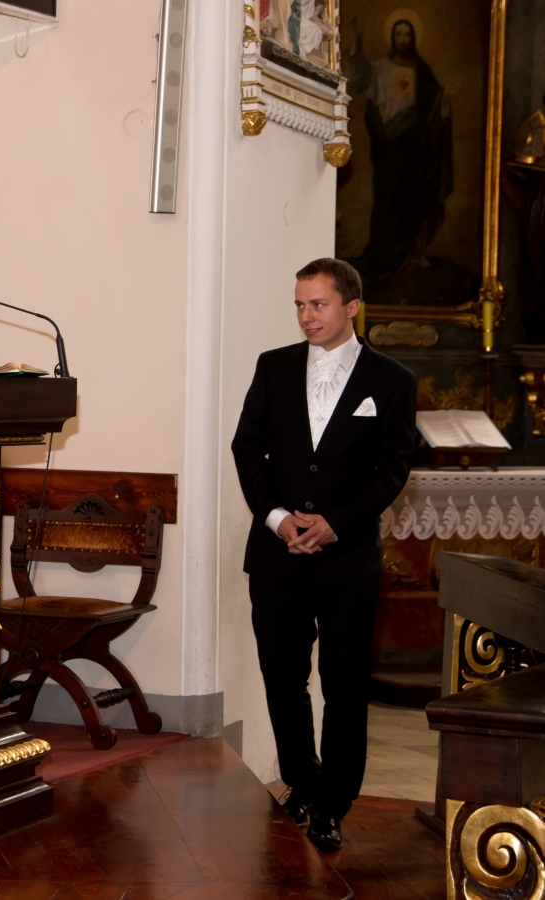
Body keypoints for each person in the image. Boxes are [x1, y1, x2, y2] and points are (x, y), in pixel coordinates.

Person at [230, 258, 417, 852]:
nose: (306, 316)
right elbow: (246, 447)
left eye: (318, 304)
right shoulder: (274, 366)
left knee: (344, 683)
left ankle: (334, 803)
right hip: (277, 554)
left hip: (346, 559)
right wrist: (277, 517)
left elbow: (394, 466)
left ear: (351, 306)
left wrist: (336, 523)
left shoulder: (391, 379)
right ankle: (302, 784)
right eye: (299, 305)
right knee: (282, 677)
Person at [344, 17, 453, 279]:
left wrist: (444, 100)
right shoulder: (380, 68)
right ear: (392, 38)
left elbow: (434, 103)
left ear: (413, 38)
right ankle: (382, 254)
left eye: (407, 35)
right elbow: (360, 80)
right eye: (398, 35)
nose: (402, 40)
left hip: (414, 149)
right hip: (388, 148)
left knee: (411, 201)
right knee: (387, 201)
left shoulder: (422, 71)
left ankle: (408, 255)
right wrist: (357, 43)